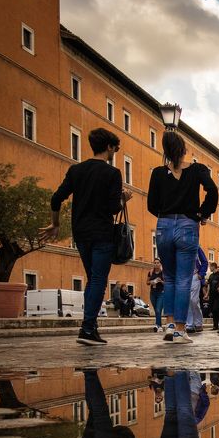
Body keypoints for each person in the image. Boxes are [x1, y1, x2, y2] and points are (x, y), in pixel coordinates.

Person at [42, 127, 130, 346]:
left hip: (80, 233)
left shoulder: (76, 170)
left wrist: (55, 223)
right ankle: (87, 329)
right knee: (98, 280)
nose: (115, 152)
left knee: (93, 279)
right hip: (101, 233)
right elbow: (112, 208)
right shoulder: (112, 173)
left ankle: (90, 328)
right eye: (115, 148)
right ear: (109, 147)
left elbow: (56, 198)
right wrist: (124, 199)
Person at [143, 131, 218, 344]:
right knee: (184, 279)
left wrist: (166, 213)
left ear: (165, 151)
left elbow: (151, 205)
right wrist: (202, 213)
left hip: (164, 226)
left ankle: (168, 323)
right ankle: (180, 329)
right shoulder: (197, 170)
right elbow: (212, 190)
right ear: (184, 150)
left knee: (170, 277)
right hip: (187, 225)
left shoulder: (158, 173)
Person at [186, 247, 207, 333]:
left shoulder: (196, 247)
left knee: (193, 300)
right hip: (184, 277)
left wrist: (201, 274)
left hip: (195, 276)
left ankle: (198, 322)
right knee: (187, 301)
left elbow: (204, 261)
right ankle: (190, 324)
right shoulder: (179, 246)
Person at [148, 259, 166, 332]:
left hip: (161, 293)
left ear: (160, 264)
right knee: (156, 310)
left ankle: (157, 325)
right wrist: (151, 282)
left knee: (158, 310)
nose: (156, 264)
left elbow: (167, 283)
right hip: (152, 293)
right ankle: (159, 326)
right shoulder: (151, 272)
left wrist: (161, 281)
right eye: (155, 263)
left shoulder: (163, 273)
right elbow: (147, 282)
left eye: (157, 263)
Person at [206, 262, 219, 330]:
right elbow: (209, 286)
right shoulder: (211, 276)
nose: (210, 268)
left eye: (210, 267)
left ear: (214, 267)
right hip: (212, 295)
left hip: (218, 295)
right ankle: (215, 325)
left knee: (218, 310)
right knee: (213, 310)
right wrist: (207, 294)